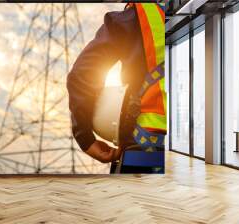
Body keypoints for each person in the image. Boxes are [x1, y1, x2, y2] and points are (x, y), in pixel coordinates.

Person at [67, 3, 166, 173]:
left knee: (134, 198)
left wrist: (85, 138)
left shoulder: (133, 18)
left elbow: (82, 74)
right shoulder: (184, 12)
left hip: (144, 145)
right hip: (190, 142)